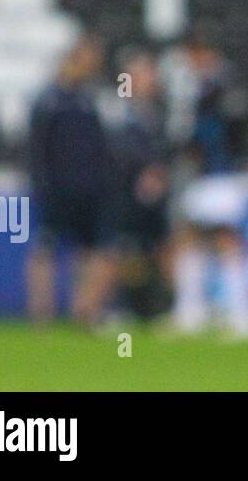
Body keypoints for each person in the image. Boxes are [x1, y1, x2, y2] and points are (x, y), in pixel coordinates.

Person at [164, 28, 248, 339]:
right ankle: (192, 311)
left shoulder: (219, 86)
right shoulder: (210, 86)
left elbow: (220, 134)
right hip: (207, 176)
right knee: (189, 236)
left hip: (220, 175)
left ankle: (244, 315)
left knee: (225, 239)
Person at [25, 32, 118, 327]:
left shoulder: (92, 99)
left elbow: (102, 147)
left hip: (92, 189)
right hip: (57, 188)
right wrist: (39, 185)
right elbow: (35, 149)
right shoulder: (49, 101)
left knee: (93, 251)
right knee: (46, 250)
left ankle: (85, 311)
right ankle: (42, 314)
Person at [102, 46, 172, 320]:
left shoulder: (157, 112)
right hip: (123, 193)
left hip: (154, 195)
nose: (150, 80)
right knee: (121, 251)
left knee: (159, 246)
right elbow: (115, 152)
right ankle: (116, 307)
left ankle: (166, 307)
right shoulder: (117, 110)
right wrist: (141, 173)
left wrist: (159, 173)